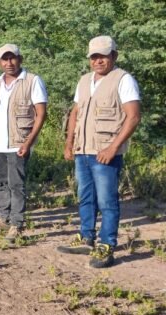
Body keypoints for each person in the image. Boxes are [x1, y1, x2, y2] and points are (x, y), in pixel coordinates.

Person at [57, 36, 141, 268]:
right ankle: (86, 237)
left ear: (114, 55)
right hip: (82, 150)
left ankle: (107, 245)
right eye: (94, 56)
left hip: (105, 152)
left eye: (103, 55)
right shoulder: (84, 80)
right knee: (86, 197)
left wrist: (113, 147)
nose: (98, 60)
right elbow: (76, 113)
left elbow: (133, 116)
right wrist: (69, 142)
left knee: (107, 201)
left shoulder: (123, 80)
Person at [0, 44, 48, 244]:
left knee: (16, 184)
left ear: (20, 59)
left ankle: (17, 223)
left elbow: (41, 113)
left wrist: (29, 142)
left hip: (18, 142)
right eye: (4, 59)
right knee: (0, 181)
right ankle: (3, 217)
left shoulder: (32, 81)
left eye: (12, 58)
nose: (9, 63)